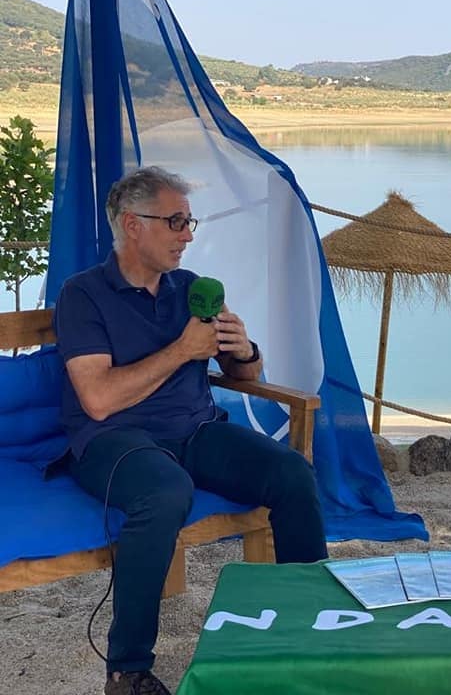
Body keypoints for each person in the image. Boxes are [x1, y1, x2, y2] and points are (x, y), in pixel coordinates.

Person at [54, 166, 328, 695]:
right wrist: (181, 350)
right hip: (115, 440)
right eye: (176, 221)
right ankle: (127, 669)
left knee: (291, 473)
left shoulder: (193, 290)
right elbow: (99, 399)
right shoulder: (83, 296)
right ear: (133, 225)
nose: (188, 234)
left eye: (189, 221)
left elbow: (244, 374)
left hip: (196, 431)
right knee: (164, 491)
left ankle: (313, 622)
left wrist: (245, 349)